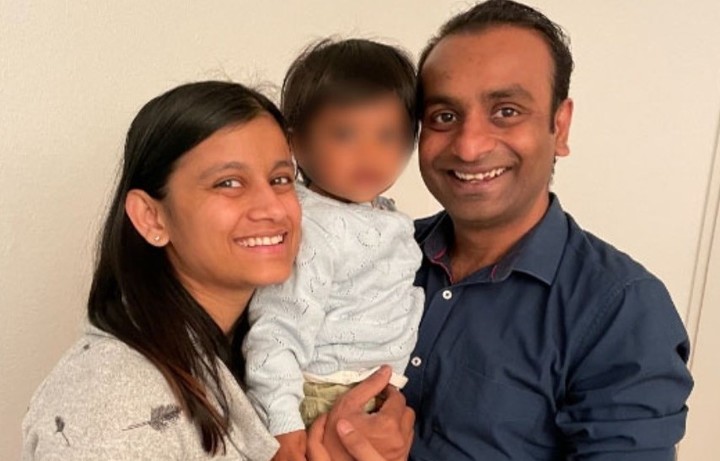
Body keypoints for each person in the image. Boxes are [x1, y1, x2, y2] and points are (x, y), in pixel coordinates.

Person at [22, 81, 413, 461]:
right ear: (151, 217)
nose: (272, 208)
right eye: (228, 183)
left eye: (280, 179)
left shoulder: (266, 352)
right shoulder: (112, 406)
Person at [404, 1, 694, 460]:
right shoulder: (378, 255)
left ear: (560, 126)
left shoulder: (621, 309)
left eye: (506, 111)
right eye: (444, 116)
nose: (470, 146)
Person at [242, 39, 424, 461]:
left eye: (389, 136)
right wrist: (283, 427)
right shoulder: (313, 227)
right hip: (318, 398)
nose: (369, 153)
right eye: (344, 134)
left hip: (365, 394)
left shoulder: (374, 213)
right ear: (296, 144)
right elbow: (276, 329)